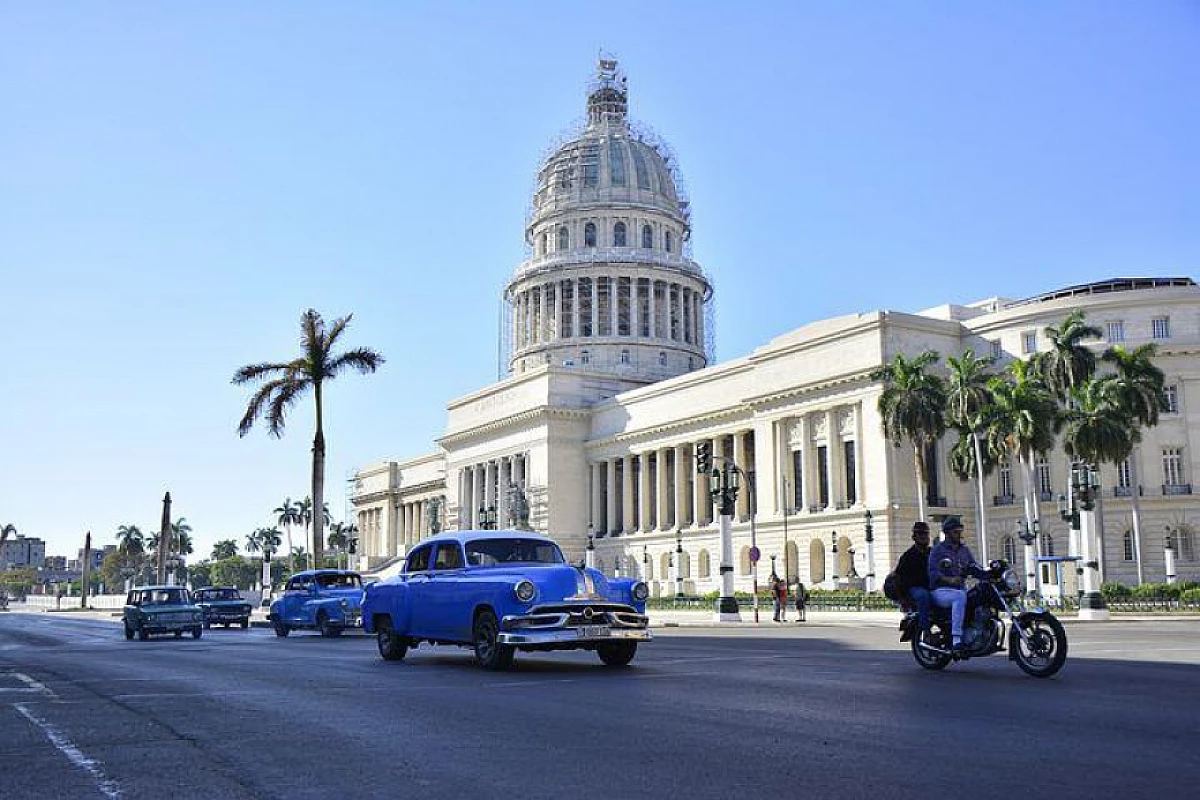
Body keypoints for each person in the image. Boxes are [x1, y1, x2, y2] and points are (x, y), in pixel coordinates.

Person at [928, 516, 986, 654]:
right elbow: (932, 573)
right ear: (947, 533)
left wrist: (990, 573)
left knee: (980, 596)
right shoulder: (938, 550)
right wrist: (949, 580)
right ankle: (956, 639)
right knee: (959, 597)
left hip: (959, 589)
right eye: (955, 532)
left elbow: (973, 566)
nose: (959, 534)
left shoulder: (964, 550)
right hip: (940, 591)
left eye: (960, 531)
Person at [893, 521, 933, 642]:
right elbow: (899, 578)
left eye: (926, 534)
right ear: (914, 537)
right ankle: (926, 631)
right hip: (915, 588)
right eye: (920, 534)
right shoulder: (908, 556)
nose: (924, 537)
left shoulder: (933, 553)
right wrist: (903, 599)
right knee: (923, 596)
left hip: (933, 586)